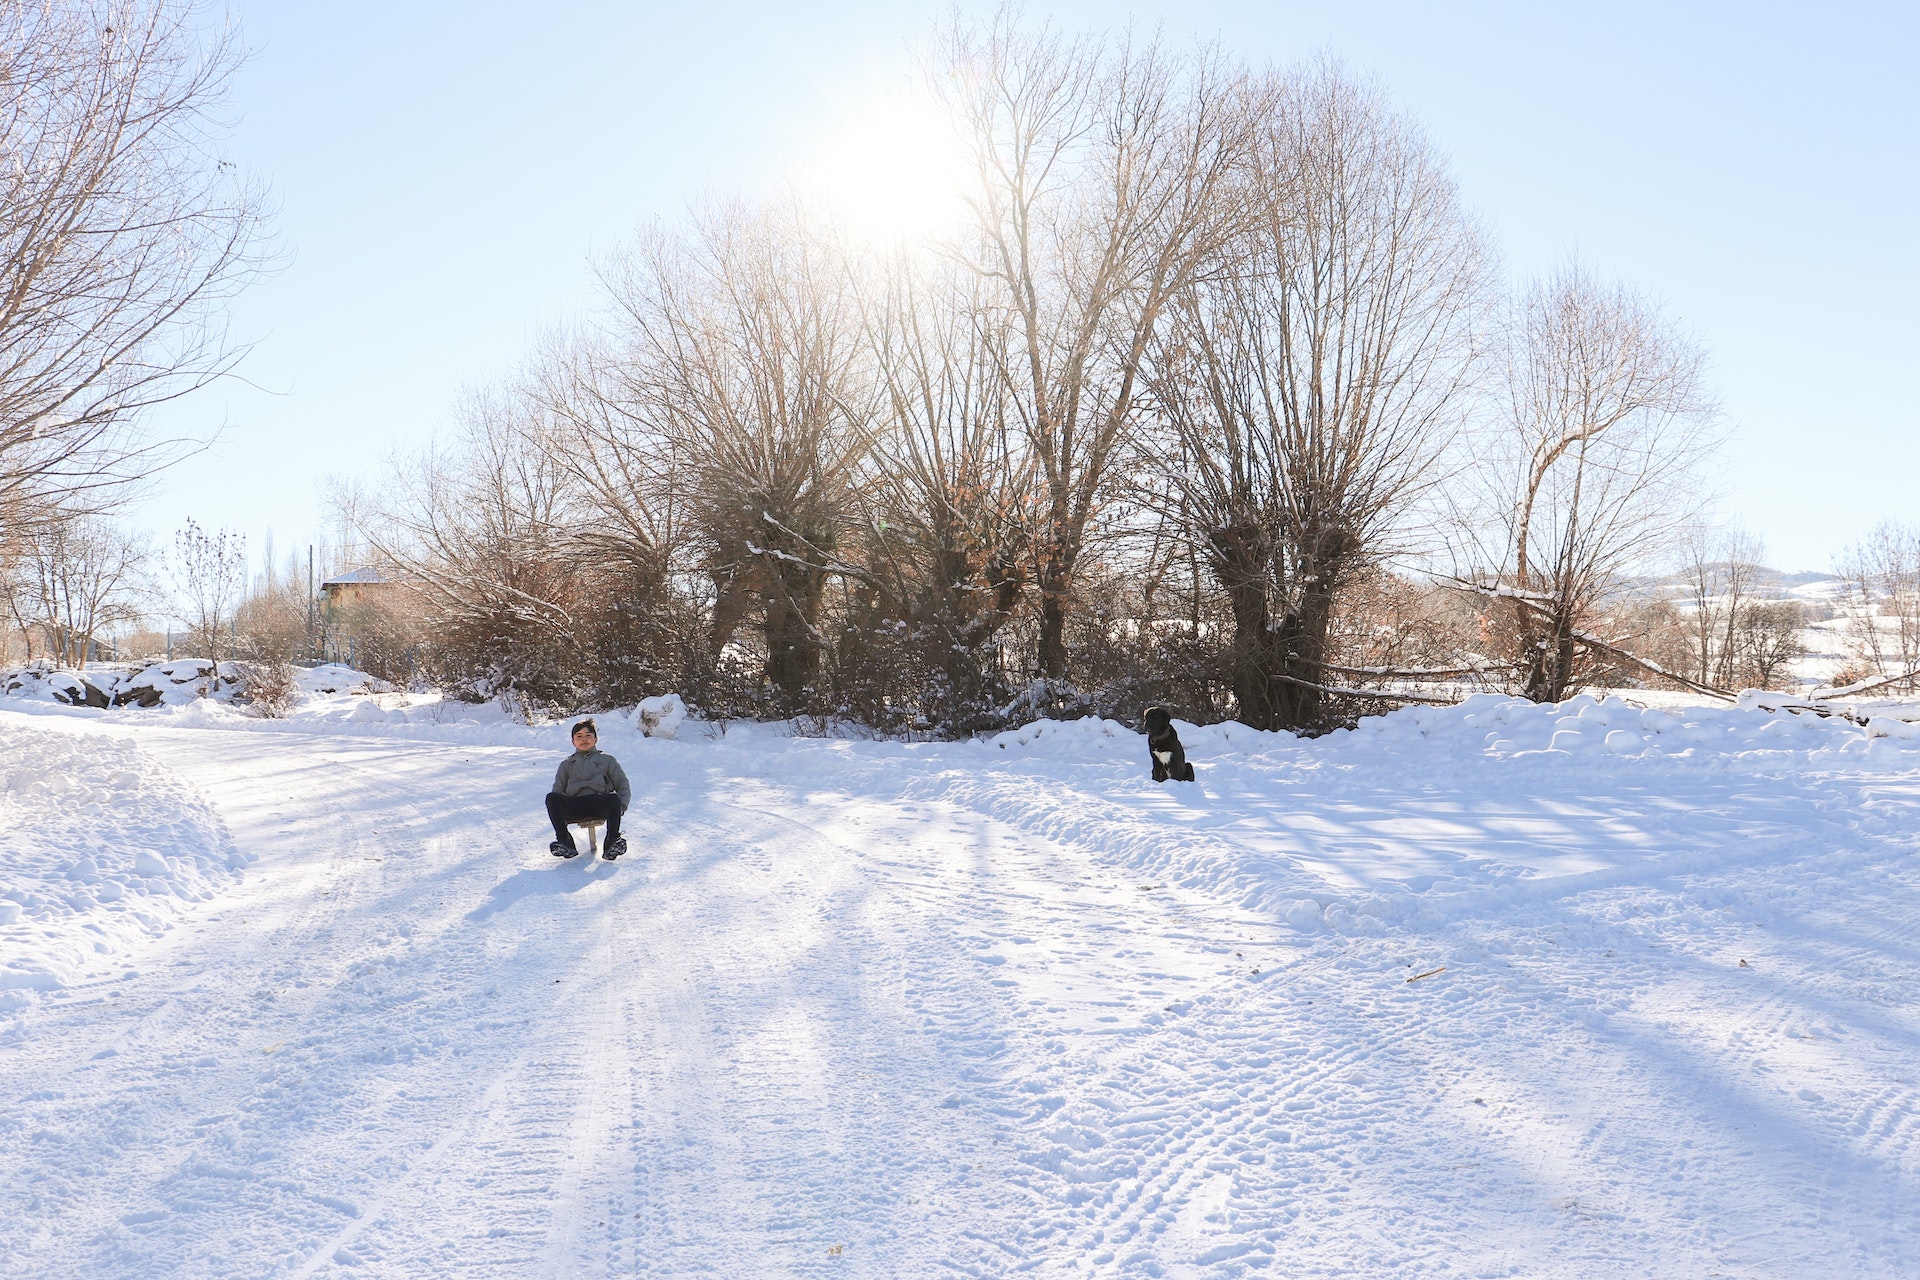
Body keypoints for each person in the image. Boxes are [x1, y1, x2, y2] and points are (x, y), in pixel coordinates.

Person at [546, 718, 631, 859]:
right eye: (579, 736)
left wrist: (621, 807)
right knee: (551, 798)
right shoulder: (567, 764)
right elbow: (558, 789)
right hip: (575, 805)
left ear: (595, 739)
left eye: (588, 736)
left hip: (599, 802)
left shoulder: (607, 760)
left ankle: (612, 841)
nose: (584, 739)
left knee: (614, 798)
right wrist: (558, 813)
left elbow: (622, 784)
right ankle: (565, 842)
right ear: (573, 741)